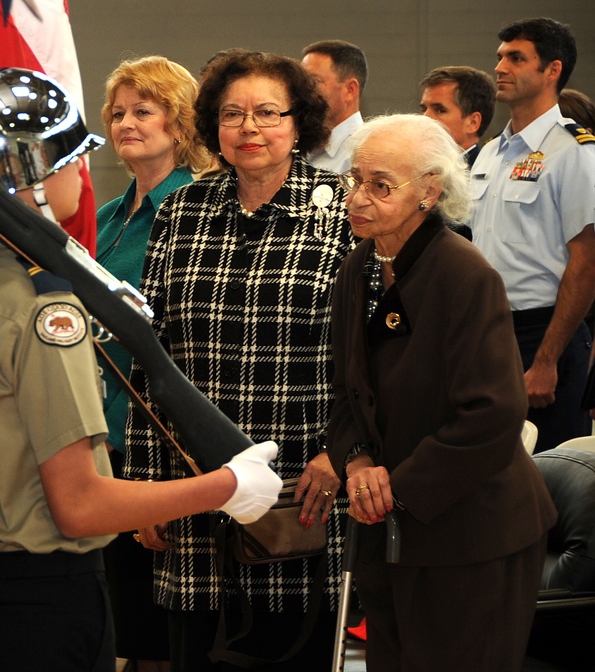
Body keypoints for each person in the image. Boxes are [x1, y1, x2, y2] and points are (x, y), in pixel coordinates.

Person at [0, 67, 284, 672]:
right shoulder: (43, 308)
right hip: (45, 601)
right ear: (32, 176)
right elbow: (79, 505)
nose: (80, 175)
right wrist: (229, 486)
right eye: (69, 162)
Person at [123, 50, 354, 672]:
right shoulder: (182, 212)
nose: (249, 129)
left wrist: (345, 451)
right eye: (232, 114)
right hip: (193, 486)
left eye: (267, 113)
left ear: (300, 123)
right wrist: (146, 486)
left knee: (287, 652)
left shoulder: (345, 214)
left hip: (302, 485)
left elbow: (374, 362)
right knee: (195, 652)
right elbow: (154, 356)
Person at [327, 113, 556, 672]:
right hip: (394, 530)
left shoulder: (464, 274)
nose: (358, 197)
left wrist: (393, 488)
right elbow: (345, 392)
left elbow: (494, 415)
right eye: (354, 180)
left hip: (473, 534)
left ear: (429, 190)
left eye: (380, 185)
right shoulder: (360, 265)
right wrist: (357, 465)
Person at [96, 55, 213, 672]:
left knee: (157, 633)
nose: (126, 124)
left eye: (144, 111)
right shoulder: (106, 219)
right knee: (122, 627)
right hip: (98, 433)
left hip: (158, 437)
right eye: (118, 114)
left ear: (181, 121)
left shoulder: (197, 209)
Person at [469, 17, 595, 453]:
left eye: (516, 58)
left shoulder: (575, 151)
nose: (500, 67)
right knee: (489, 477)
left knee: (548, 480)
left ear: (552, 71)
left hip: (544, 332)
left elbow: (587, 262)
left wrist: (546, 359)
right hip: (486, 333)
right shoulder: (489, 152)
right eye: (500, 57)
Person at [301, 39, 367, 173]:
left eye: (314, 81)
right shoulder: (301, 145)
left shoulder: (363, 153)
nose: (303, 91)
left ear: (350, 90)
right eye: (302, 81)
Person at [419, 65, 496, 166]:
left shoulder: (485, 174)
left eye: (440, 110)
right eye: (424, 109)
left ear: (473, 123)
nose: (425, 118)